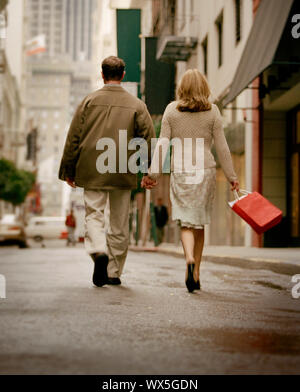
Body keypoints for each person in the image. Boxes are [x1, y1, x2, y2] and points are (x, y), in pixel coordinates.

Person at [59, 56, 155, 287]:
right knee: (120, 221)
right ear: (123, 75)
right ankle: (113, 271)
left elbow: (74, 137)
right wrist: (148, 171)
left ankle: (98, 251)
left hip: (92, 167)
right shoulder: (137, 105)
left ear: (102, 75)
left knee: (94, 214)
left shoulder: (88, 101)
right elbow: (147, 139)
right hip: (123, 167)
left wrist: (68, 170)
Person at [142, 69, 239, 293]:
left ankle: (188, 259)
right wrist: (232, 176)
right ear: (203, 87)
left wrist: (152, 174)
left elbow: (163, 144)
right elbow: (222, 147)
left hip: (181, 170)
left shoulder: (171, 110)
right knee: (200, 222)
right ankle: (196, 273)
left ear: (182, 88)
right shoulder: (213, 111)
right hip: (204, 169)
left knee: (186, 221)